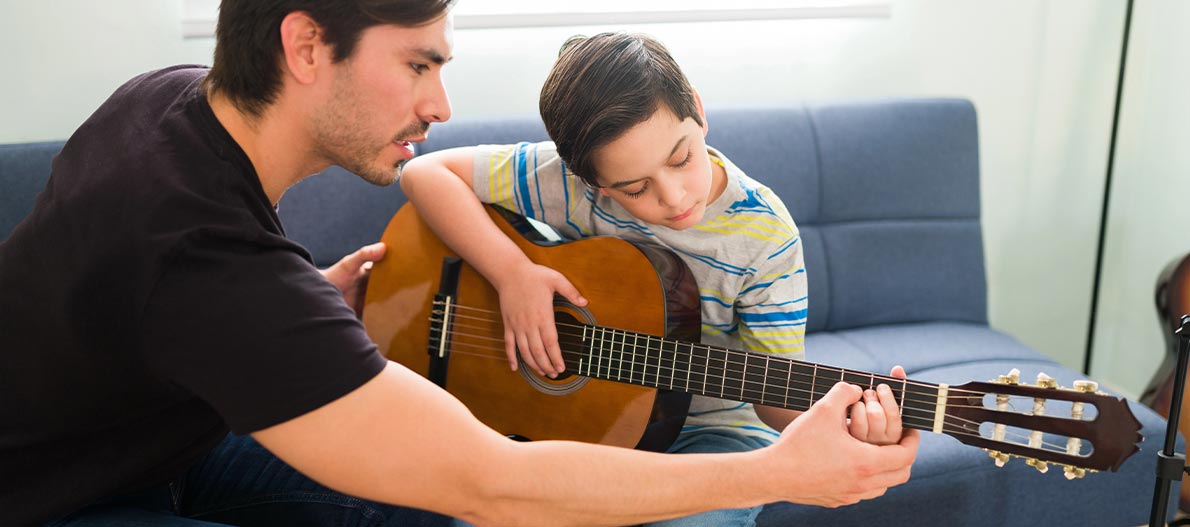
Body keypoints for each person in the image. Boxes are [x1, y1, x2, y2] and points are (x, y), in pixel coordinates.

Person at [0, 1, 918, 525]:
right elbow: (491, 479)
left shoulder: (166, 106)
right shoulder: (213, 268)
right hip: (62, 494)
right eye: (418, 64)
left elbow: (162, 308)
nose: (443, 103)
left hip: (173, 427)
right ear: (306, 44)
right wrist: (778, 472)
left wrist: (295, 318)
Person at [399, 31, 915, 527]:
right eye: (634, 187)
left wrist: (853, 424)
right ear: (590, 181)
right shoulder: (565, 184)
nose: (672, 197)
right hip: (576, 433)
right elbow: (424, 173)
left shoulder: (764, 235)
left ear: (698, 109)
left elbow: (774, 398)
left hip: (713, 437)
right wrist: (513, 275)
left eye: (681, 158)